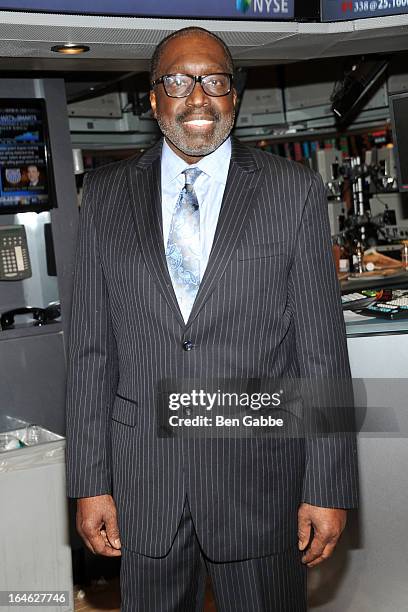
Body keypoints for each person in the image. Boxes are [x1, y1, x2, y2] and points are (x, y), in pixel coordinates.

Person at [65, 27, 358, 611]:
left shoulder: (291, 192)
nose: (197, 97)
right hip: (144, 485)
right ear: (153, 99)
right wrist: (89, 481)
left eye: (214, 80)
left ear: (234, 96)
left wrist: (328, 486)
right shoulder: (102, 198)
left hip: (261, 485)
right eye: (178, 80)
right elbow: (90, 354)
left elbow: (321, 352)